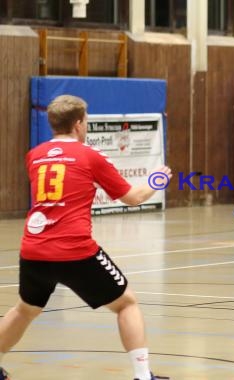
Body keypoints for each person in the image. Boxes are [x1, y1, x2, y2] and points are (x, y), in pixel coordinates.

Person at [0, 95, 171, 380]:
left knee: (26, 308)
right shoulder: (90, 156)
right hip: (75, 250)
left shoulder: (35, 155)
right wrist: (157, 181)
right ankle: (143, 376)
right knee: (126, 303)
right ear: (79, 123)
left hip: (34, 249)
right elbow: (132, 198)